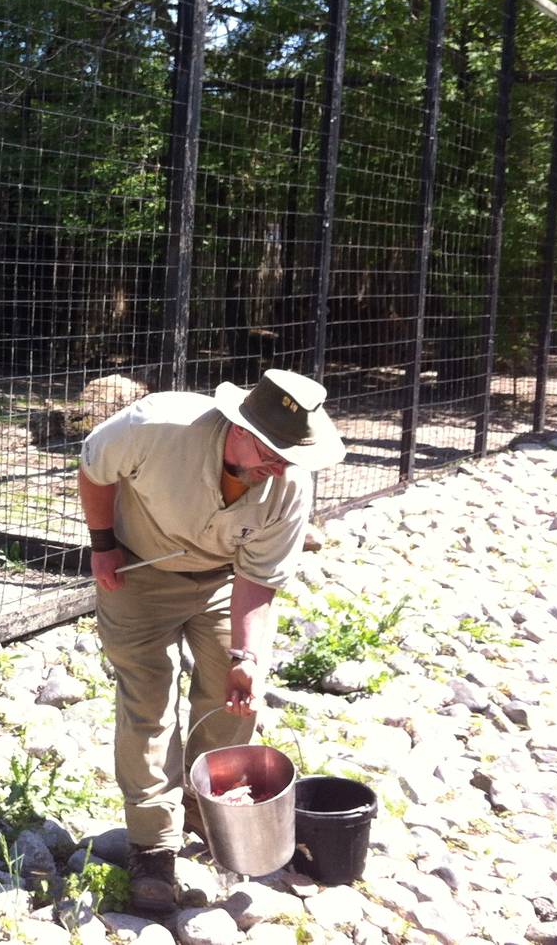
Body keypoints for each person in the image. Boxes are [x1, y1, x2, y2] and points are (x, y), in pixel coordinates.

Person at [77, 368, 345, 915]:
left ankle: (208, 808)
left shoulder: (288, 483)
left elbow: (258, 580)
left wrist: (247, 658)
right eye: (273, 452)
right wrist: (102, 543)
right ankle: (153, 846)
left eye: (291, 455)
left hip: (224, 580)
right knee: (148, 703)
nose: (281, 466)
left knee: (234, 693)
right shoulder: (156, 425)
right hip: (135, 571)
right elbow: (93, 468)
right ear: (240, 428)